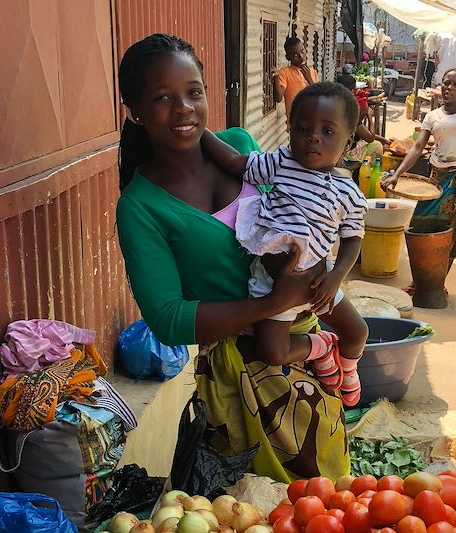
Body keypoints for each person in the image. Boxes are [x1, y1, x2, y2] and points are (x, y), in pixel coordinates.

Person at [115, 34, 349, 482]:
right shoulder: (141, 207)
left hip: (303, 351)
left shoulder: (240, 147)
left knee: (332, 498)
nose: (184, 108)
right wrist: (269, 305)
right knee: (258, 508)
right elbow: (168, 318)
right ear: (137, 111)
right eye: (164, 98)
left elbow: (298, 220)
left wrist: (327, 288)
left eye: (194, 92)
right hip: (240, 383)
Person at [202, 82, 369, 407]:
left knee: (358, 332)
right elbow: (237, 163)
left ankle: (348, 368)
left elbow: (353, 240)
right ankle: (321, 345)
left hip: (320, 284)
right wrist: (202, 132)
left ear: (348, 140)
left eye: (327, 131)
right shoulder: (280, 163)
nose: (313, 137)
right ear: (291, 131)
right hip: (273, 289)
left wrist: (336, 279)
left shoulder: (348, 192)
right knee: (272, 352)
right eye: (303, 128)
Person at [382, 68, 456, 294]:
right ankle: (418, 281)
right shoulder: (432, 117)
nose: (448, 88)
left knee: (452, 232)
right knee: (420, 226)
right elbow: (418, 147)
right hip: (436, 179)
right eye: (445, 83)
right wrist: (397, 174)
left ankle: (438, 283)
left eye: (454, 85)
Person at [337, 72, 391, 162]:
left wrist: (384, 140)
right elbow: (370, 138)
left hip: (335, 149)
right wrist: (370, 117)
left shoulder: (335, 104)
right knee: (377, 146)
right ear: (351, 91)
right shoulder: (348, 112)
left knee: (382, 144)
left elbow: (361, 131)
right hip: (342, 156)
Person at [271, 36, 318, 121]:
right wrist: (276, 77)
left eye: (302, 52)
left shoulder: (312, 72)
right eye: (295, 55)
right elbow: (278, 98)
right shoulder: (285, 72)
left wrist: (310, 80)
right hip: (296, 123)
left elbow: (320, 97)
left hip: (313, 121)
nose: (301, 57)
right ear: (288, 57)